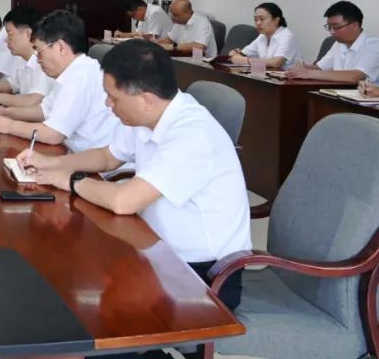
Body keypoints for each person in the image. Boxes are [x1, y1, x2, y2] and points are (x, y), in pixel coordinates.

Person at [19, 40, 250, 354]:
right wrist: (51, 164)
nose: (107, 105)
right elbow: (107, 157)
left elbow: (123, 201)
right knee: (70, 283)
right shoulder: (148, 116)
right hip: (155, 253)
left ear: (146, 99)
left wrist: (70, 180)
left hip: (202, 278)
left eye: (113, 98)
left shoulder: (192, 134)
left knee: (95, 320)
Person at [0, 9, 117, 153]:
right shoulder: (70, 72)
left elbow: (53, 134)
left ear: (61, 47)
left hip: (93, 162)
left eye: (39, 52)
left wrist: (9, 126)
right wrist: (5, 112)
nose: (38, 60)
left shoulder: (80, 75)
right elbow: (43, 110)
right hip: (74, 153)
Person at [0, 7, 55, 122]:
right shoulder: (21, 59)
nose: (6, 40)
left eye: (10, 34)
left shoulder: (44, 61)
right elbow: (11, 85)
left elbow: (33, 101)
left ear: (28, 34)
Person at [287, 0, 379, 82]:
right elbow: (320, 68)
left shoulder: (374, 46)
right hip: (337, 92)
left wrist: (308, 73)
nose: (331, 32)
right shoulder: (339, 44)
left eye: (336, 27)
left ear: (355, 26)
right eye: (329, 27)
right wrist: (303, 68)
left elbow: (355, 76)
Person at [228, 2, 302, 69]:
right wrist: (236, 53)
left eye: (262, 19)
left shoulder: (287, 36)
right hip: (268, 76)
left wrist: (246, 60)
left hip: (291, 78)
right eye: (256, 19)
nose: (258, 23)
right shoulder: (262, 36)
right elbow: (242, 54)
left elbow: (276, 63)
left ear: (276, 20)